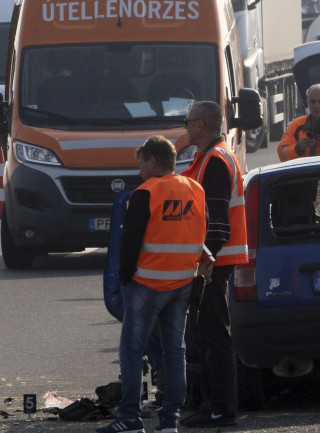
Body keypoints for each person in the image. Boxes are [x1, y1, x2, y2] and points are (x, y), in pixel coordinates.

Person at [97, 136, 213, 433]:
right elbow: (201, 231)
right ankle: (170, 419)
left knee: (132, 352)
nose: (139, 171)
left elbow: (130, 240)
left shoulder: (145, 193)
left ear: (151, 160)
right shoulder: (195, 189)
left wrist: (124, 277)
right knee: (176, 351)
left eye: (141, 164)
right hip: (182, 283)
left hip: (146, 283)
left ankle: (130, 419)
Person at [179, 102, 247, 428]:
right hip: (213, 262)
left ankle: (220, 407)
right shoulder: (209, 157)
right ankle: (213, 404)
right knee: (207, 336)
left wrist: (202, 270)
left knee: (215, 337)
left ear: (202, 125)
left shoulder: (216, 161)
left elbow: (217, 226)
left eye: (187, 121)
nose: (184, 127)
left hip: (213, 264)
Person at [277, 84, 320, 161]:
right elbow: (282, 154)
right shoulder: (296, 125)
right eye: (312, 102)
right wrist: (298, 148)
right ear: (307, 103)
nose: (316, 105)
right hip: (306, 172)